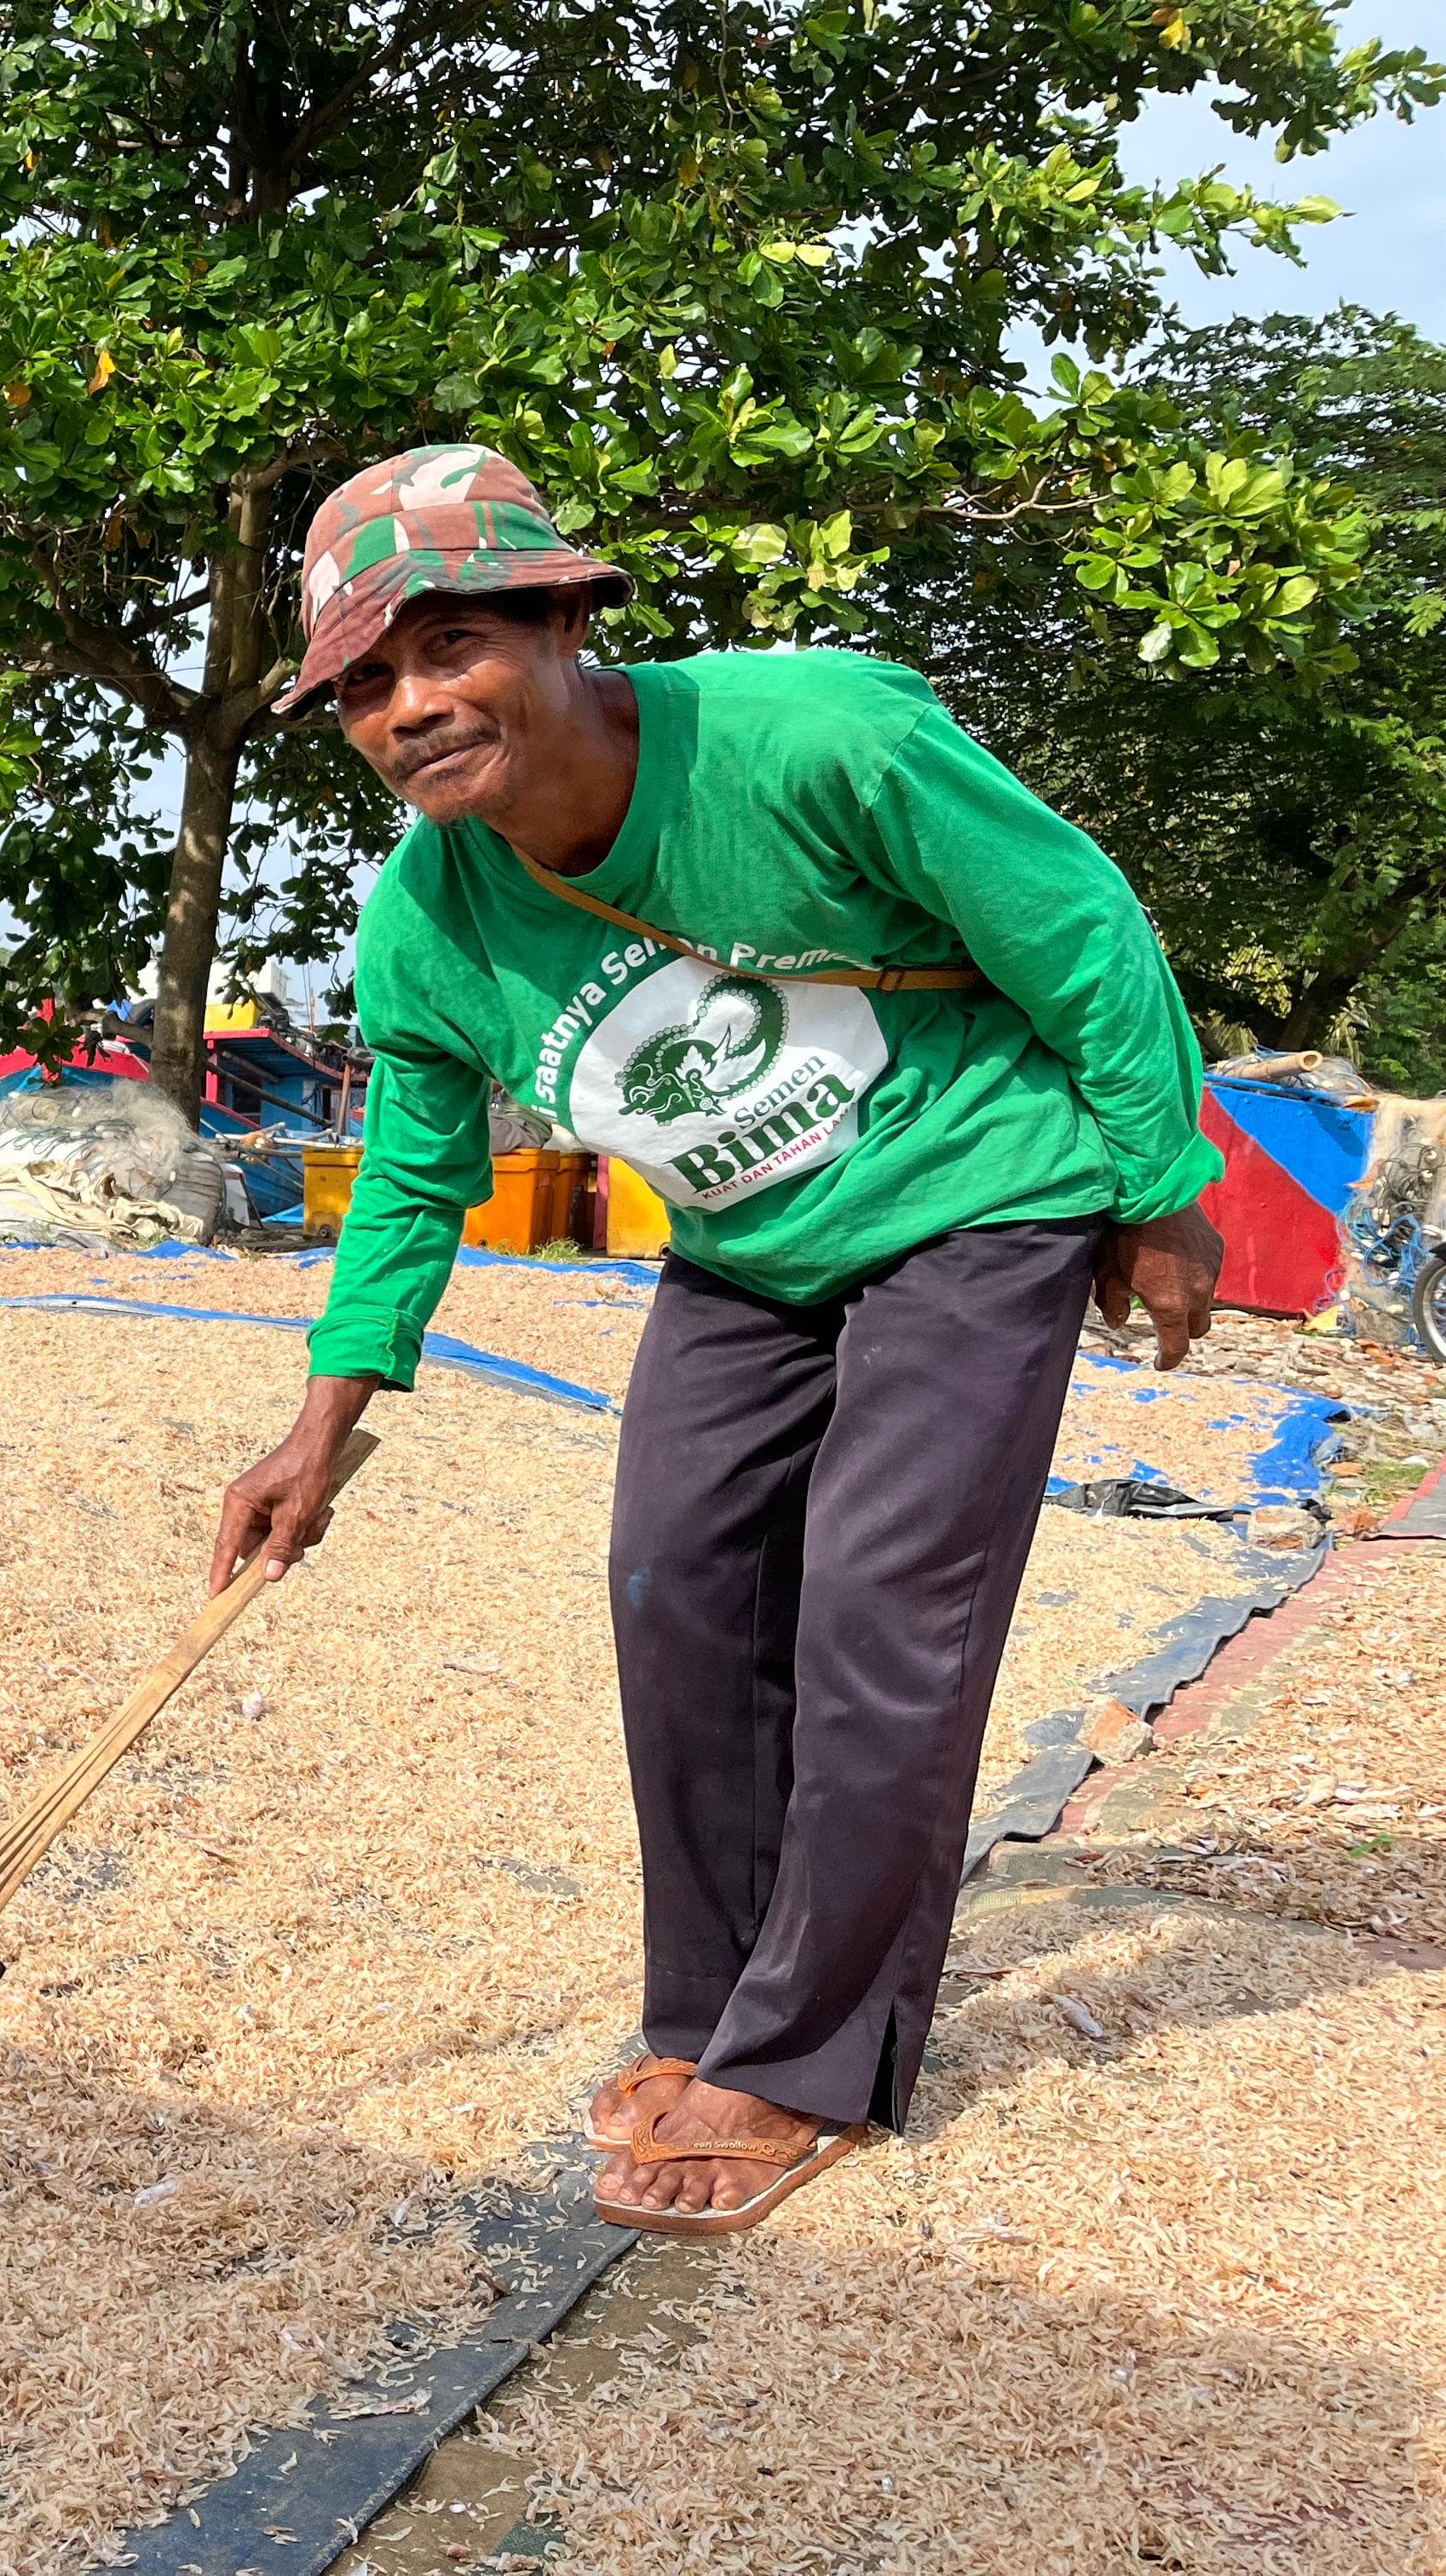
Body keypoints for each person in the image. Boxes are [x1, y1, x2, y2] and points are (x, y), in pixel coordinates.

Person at [208, 445, 1222, 2238]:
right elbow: (415, 1184)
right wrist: (323, 1424)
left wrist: (1160, 1190)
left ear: (566, 623)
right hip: (751, 1238)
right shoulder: (426, 921)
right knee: (674, 1578)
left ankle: (811, 2062)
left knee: (882, 1599)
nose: (412, 709)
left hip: (973, 1180)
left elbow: (1077, 928)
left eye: (449, 647)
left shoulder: (821, 735)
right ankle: (713, 2014)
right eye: (366, 685)